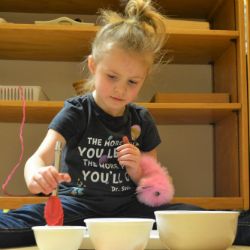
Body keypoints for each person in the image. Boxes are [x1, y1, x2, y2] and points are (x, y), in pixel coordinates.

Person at [0, 0, 249, 248]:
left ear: (144, 80)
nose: (120, 89)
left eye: (133, 82)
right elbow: (38, 159)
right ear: (93, 66)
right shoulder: (76, 111)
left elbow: (158, 189)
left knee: (213, 222)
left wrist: (139, 171)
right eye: (112, 77)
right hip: (75, 207)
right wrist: (36, 176)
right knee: (12, 227)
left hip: (133, 210)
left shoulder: (142, 119)